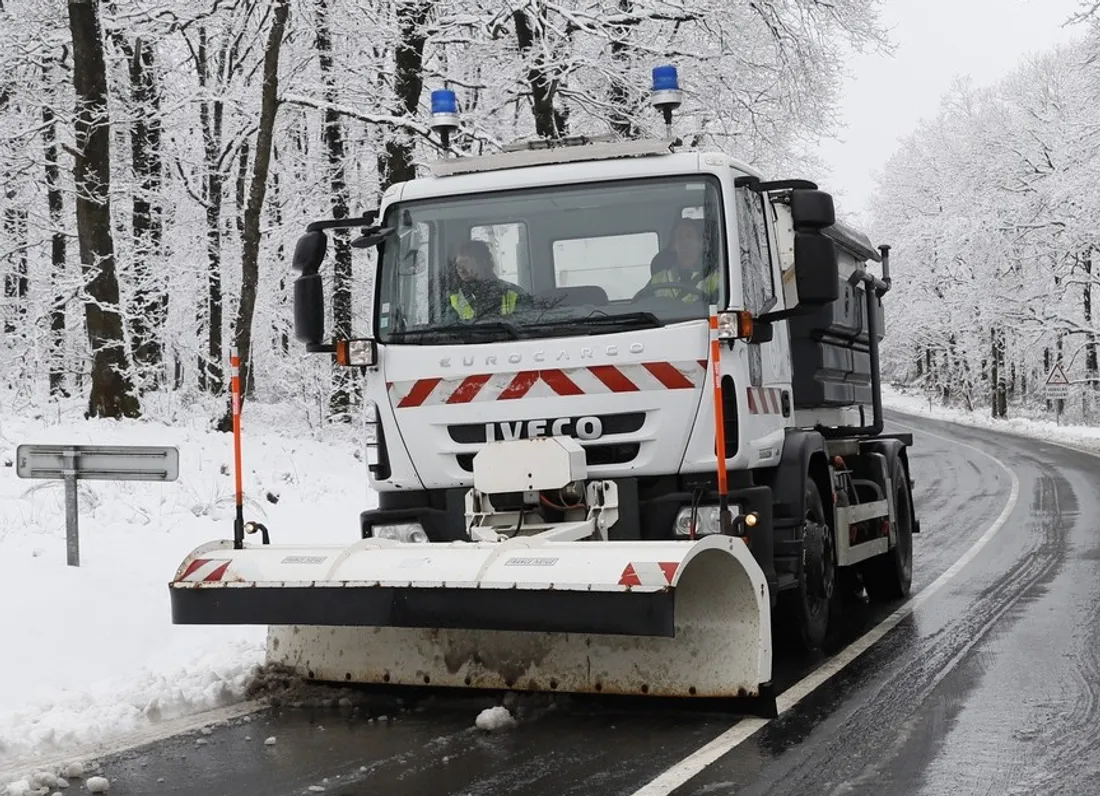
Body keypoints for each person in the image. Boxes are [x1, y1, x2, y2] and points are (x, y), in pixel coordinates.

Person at [637, 216, 720, 302]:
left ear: (702, 244)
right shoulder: (660, 279)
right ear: (674, 246)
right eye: (679, 237)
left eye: (690, 235)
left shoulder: (714, 279)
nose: (685, 242)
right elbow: (641, 304)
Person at [444, 239, 527, 321]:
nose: (461, 270)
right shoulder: (454, 298)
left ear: (483, 261)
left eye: (465, 263)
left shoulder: (515, 294)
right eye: (458, 265)